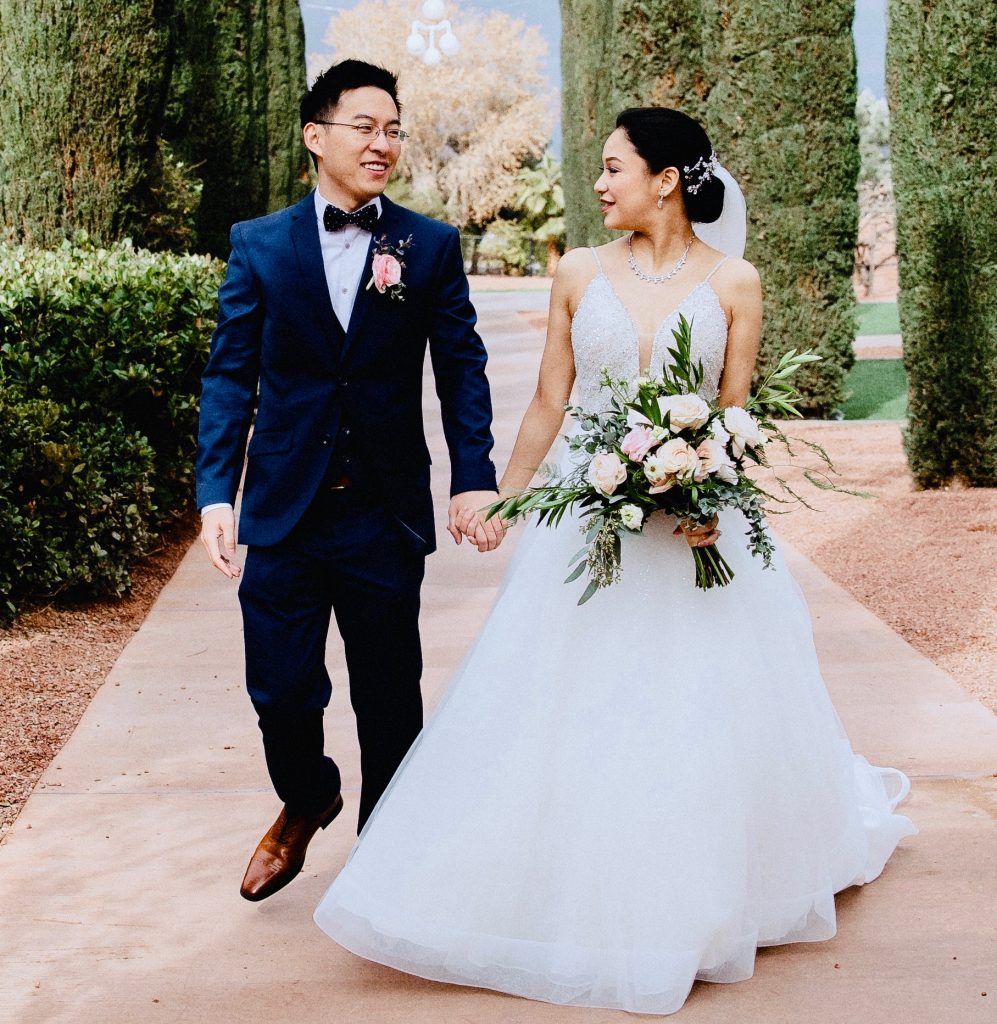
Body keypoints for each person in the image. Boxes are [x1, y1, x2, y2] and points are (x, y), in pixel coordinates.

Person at [313, 107, 917, 1015]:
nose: (597, 185)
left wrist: (708, 490)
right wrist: (502, 497)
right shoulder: (577, 271)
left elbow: (734, 415)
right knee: (557, 700)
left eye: (611, 168)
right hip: (580, 523)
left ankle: (696, 888)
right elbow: (553, 400)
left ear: (665, 178)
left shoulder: (734, 283)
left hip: (692, 533)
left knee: (693, 706)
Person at [195, 59, 505, 904]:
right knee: (281, 691)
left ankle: (387, 863)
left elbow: (462, 371)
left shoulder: (427, 246)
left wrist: (471, 477)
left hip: (382, 511)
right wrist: (216, 493)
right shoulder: (257, 245)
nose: (382, 142)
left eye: (393, 128)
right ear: (315, 136)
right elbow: (229, 378)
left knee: (386, 695)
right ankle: (307, 795)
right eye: (364, 126)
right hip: (285, 512)